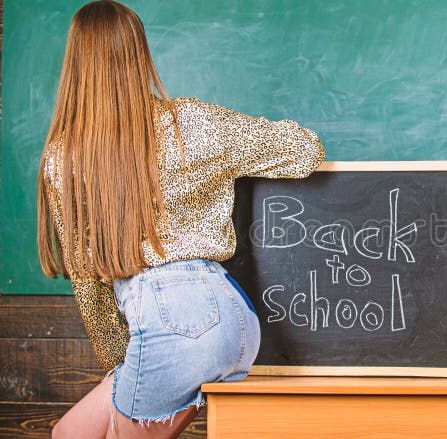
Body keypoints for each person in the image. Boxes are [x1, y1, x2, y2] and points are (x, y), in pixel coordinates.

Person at [36, 1, 324, 437]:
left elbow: (88, 284)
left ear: (73, 63)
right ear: (139, 54)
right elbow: (305, 149)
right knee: (68, 433)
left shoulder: (63, 161)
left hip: (168, 320)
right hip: (234, 319)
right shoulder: (192, 124)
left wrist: (121, 354)